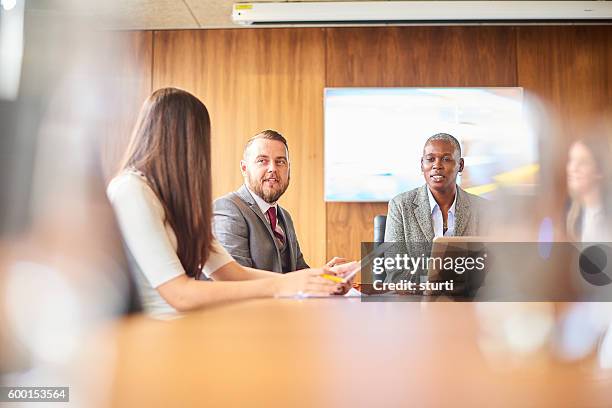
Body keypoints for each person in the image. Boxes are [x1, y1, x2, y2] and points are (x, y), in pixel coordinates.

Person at [107, 88, 345, 317]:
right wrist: (281, 286)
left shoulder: (176, 202)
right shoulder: (131, 190)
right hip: (162, 336)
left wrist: (320, 280)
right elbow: (180, 295)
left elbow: (232, 273)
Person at [213, 129, 346, 273]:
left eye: (280, 162)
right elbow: (237, 281)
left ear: (289, 169)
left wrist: (326, 276)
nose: (273, 169)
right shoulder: (227, 208)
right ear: (244, 169)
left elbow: (298, 273)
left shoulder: (284, 216)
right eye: (262, 161)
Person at [384, 133, 488, 283]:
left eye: (446, 159)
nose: (437, 165)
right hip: (415, 301)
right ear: (422, 164)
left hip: (467, 301)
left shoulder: (482, 209)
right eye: (430, 159)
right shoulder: (400, 206)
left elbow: (491, 268)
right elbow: (395, 273)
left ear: (460, 165)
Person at [566, 136, 612, 242]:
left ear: (600, 171)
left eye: (582, 162)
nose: (573, 168)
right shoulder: (573, 213)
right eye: (571, 160)